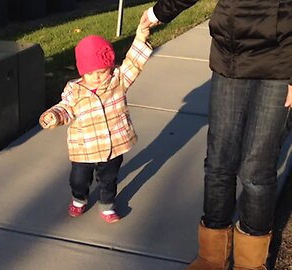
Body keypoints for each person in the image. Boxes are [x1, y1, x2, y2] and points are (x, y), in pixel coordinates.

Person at [140, 0, 291, 269]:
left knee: (257, 171)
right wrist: (157, 13)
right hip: (230, 59)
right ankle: (211, 256)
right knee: (219, 163)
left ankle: (250, 262)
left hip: (281, 64)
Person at [39, 22, 152, 224]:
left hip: (113, 145)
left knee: (108, 178)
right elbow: (65, 108)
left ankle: (107, 204)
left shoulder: (117, 81)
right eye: (90, 73)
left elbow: (133, 63)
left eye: (102, 72)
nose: (97, 78)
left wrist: (141, 38)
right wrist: (54, 116)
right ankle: (79, 198)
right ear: (82, 72)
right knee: (79, 179)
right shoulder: (74, 90)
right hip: (85, 147)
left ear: (110, 67)